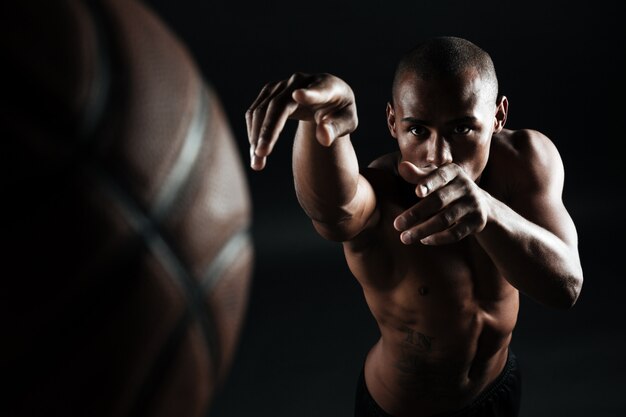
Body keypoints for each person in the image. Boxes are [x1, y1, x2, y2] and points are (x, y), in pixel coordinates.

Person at [245, 36, 583, 417]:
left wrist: (488, 210)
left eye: (462, 129)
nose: (439, 156)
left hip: (497, 388)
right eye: (418, 131)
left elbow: (566, 287)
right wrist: (323, 126)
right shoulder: (382, 193)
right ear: (393, 121)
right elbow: (333, 210)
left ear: (498, 116)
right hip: (401, 408)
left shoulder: (525, 161)